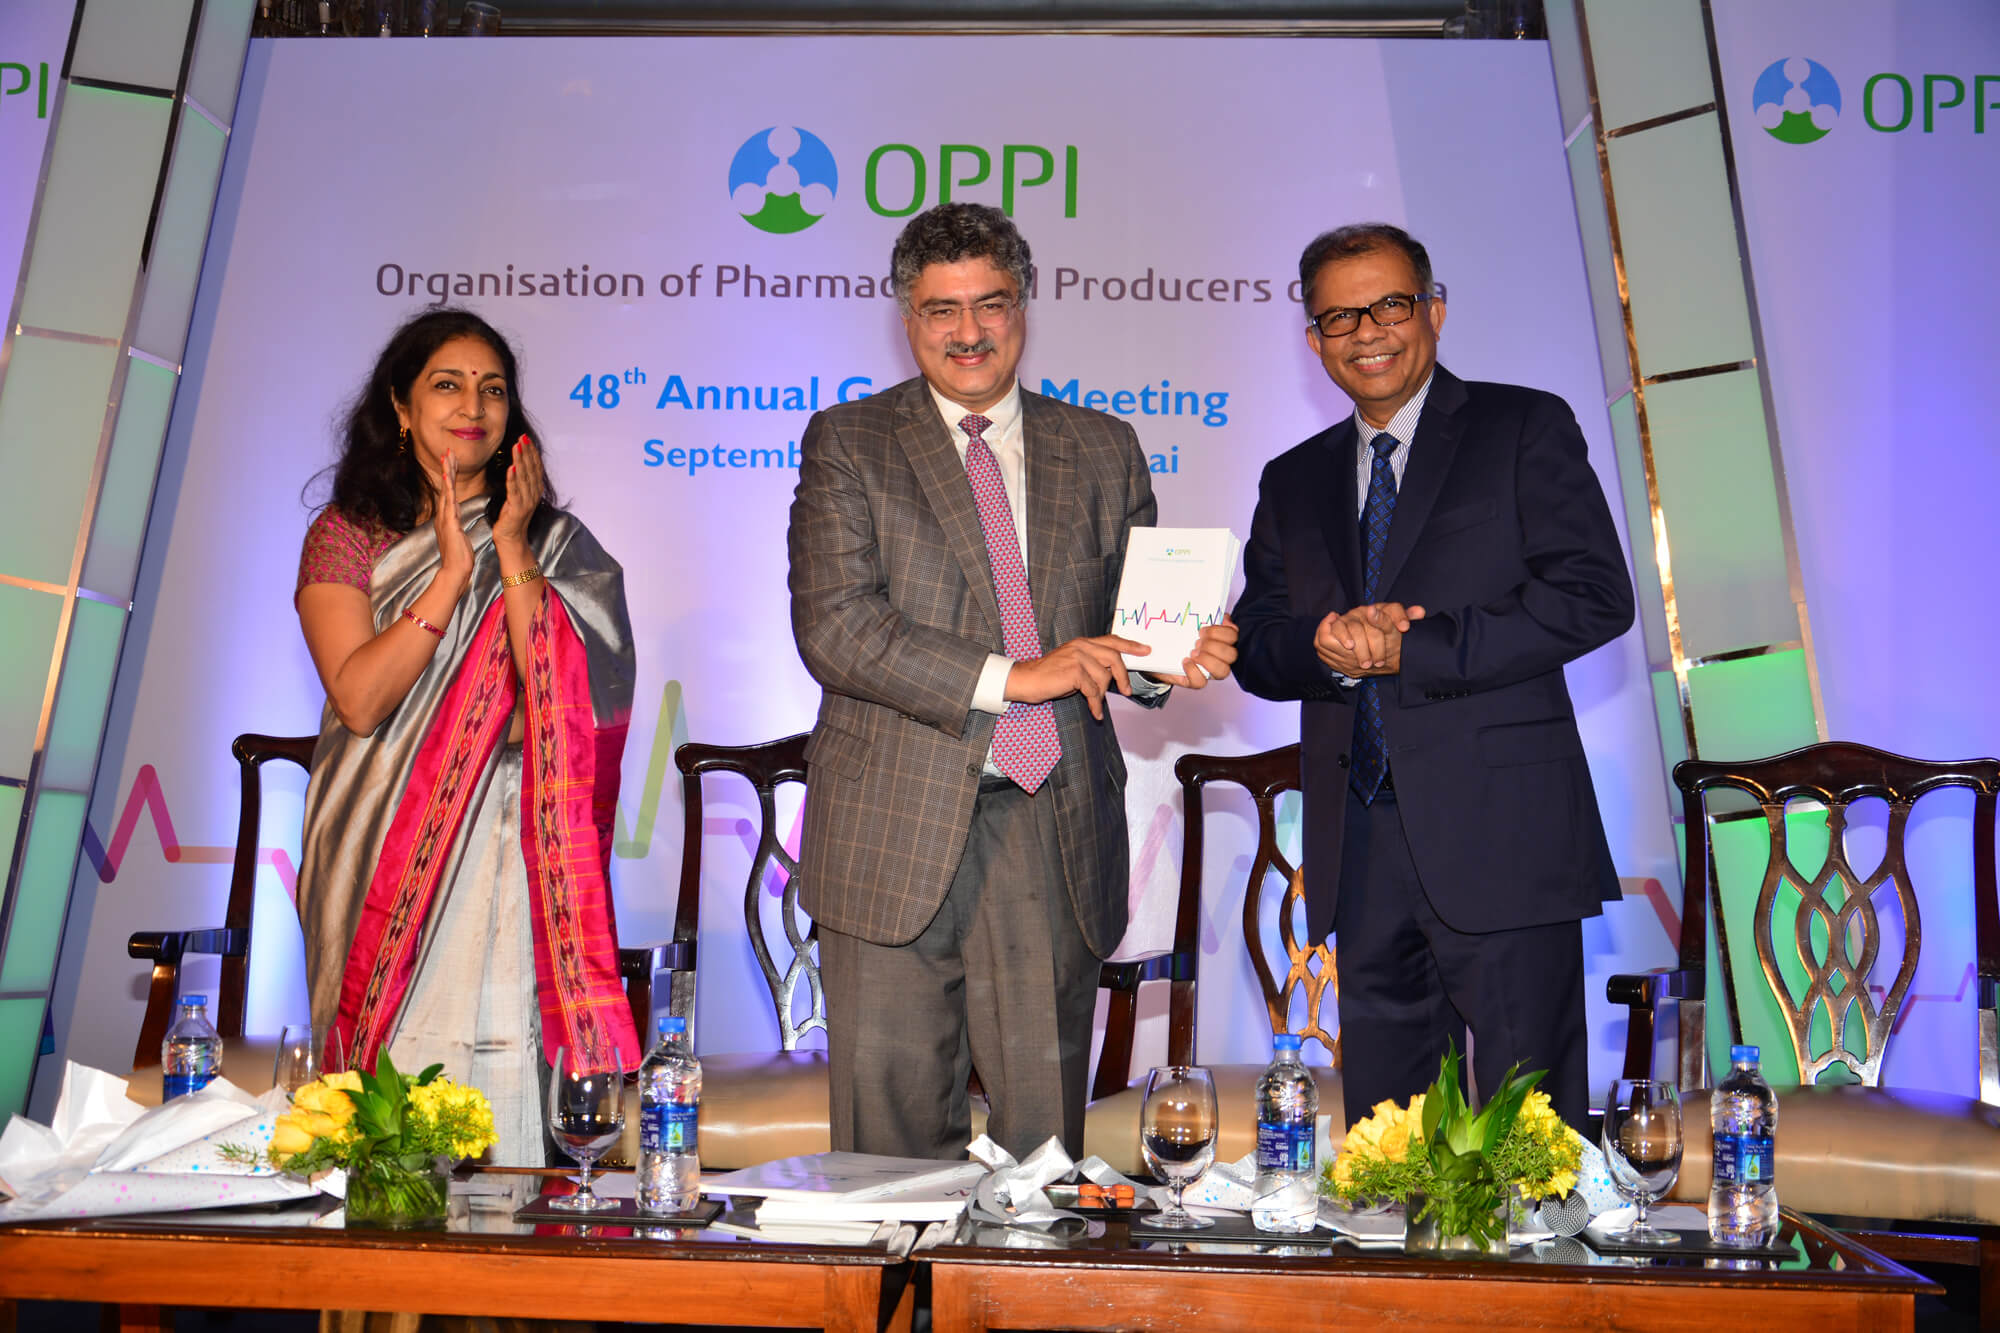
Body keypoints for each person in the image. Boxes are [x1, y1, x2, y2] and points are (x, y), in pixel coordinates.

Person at [787, 202, 1238, 1160]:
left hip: (1050, 823)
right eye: (941, 309)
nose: (968, 332)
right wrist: (1018, 677)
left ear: (1023, 306)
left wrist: (1171, 658)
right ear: (907, 317)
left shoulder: (1103, 446)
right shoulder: (850, 441)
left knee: (1042, 1163)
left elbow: (1123, 632)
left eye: (990, 304)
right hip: (889, 828)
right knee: (885, 1162)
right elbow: (837, 628)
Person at [1231, 223, 1634, 1131]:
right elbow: (1257, 644)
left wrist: (1414, 648)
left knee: (1531, 1132)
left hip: (1505, 833)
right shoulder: (1292, 478)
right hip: (1360, 840)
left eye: (1390, 305)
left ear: (1434, 311)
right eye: (1339, 317)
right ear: (1314, 339)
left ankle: (1534, 1235)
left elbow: (1593, 596)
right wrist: (1324, 648)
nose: (1367, 332)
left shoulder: (1521, 426)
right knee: (1392, 1132)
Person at [294, 307, 640, 1165]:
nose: (473, 405)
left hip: (515, 844)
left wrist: (510, 545)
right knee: (391, 1103)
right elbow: (362, 699)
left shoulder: (554, 542)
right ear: (401, 405)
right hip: (378, 840)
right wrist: (452, 573)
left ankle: (514, 1241)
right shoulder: (347, 536)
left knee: (507, 1054)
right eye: (447, 384)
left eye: (493, 389)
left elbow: (558, 703)